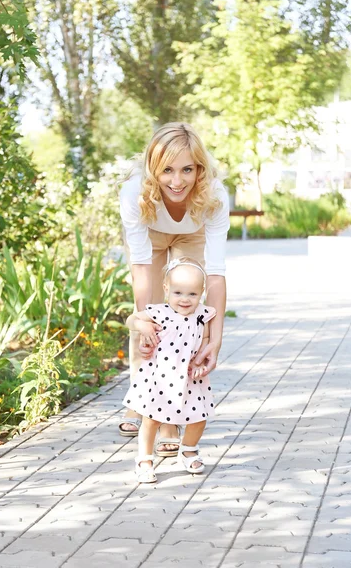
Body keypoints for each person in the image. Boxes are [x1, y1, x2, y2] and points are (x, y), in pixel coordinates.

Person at [119, 122, 229, 457]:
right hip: (149, 235)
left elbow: (215, 272)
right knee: (153, 321)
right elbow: (140, 265)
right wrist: (142, 318)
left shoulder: (214, 196)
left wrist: (216, 336)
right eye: (167, 170)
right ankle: (141, 402)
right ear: (153, 168)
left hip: (191, 234)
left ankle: (170, 419)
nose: (177, 181)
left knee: (186, 313)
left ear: (200, 168)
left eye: (187, 170)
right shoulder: (134, 193)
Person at [123, 257, 217, 483]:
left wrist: (201, 362)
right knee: (151, 419)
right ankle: (145, 459)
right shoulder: (159, 312)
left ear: (201, 293)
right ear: (166, 289)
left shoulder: (202, 314)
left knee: (198, 418)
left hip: (190, 378)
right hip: (160, 378)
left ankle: (188, 450)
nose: (185, 300)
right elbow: (131, 319)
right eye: (178, 293)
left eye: (192, 294)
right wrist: (142, 325)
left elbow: (205, 339)